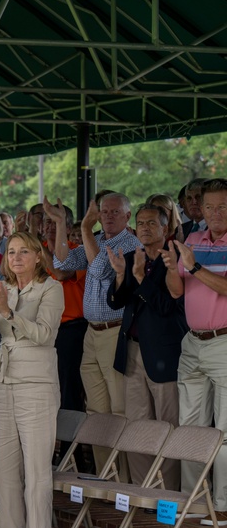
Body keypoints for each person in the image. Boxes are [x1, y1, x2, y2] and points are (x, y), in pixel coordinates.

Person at [0, 232, 64, 528]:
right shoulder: (4, 288)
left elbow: (44, 334)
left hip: (36, 384)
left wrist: (8, 314)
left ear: (38, 256)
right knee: (4, 471)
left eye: (24, 251)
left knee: (37, 470)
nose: (16, 257)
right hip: (2, 381)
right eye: (11, 252)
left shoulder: (51, 288)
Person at [46, 193, 141, 473]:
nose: (108, 216)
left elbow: (99, 271)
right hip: (92, 332)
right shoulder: (97, 238)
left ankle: (126, 480)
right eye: (104, 211)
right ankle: (107, 478)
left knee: (119, 410)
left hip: (115, 332)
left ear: (127, 216)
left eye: (114, 212)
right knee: (97, 413)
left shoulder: (129, 242)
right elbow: (62, 264)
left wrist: (85, 229)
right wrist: (62, 224)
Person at [106, 204, 185, 490]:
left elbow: (168, 307)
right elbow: (115, 302)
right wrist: (119, 275)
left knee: (168, 425)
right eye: (140, 223)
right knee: (137, 426)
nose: (145, 228)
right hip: (132, 350)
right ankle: (143, 491)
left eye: (152, 223)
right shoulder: (130, 257)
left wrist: (140, 278)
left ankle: (169, 492)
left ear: (165, 229)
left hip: (165, 354)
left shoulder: (175, 259)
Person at [164, 178, 227, 525]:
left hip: (224, 342)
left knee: (225, 432)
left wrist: (197, 267)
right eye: (209, 206)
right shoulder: (193, 239)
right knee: (190, 428)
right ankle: (194, 500)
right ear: (200, 209)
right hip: (193, 341)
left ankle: (223, 505)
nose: (215, 213)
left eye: (222, 206)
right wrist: (174, 269)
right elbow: (177, 291)